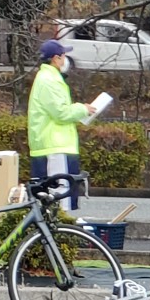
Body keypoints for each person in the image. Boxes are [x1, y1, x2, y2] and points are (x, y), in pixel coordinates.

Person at [27, 39, 95, 210]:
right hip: (56, 148)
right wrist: (83, 109)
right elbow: (61, 113)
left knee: (49, 201)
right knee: (60, 200)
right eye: (64, 55)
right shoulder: (50, 80)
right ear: (56, 58)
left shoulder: (46, 78)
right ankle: (60, 235)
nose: (66, 60)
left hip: (50, 147)